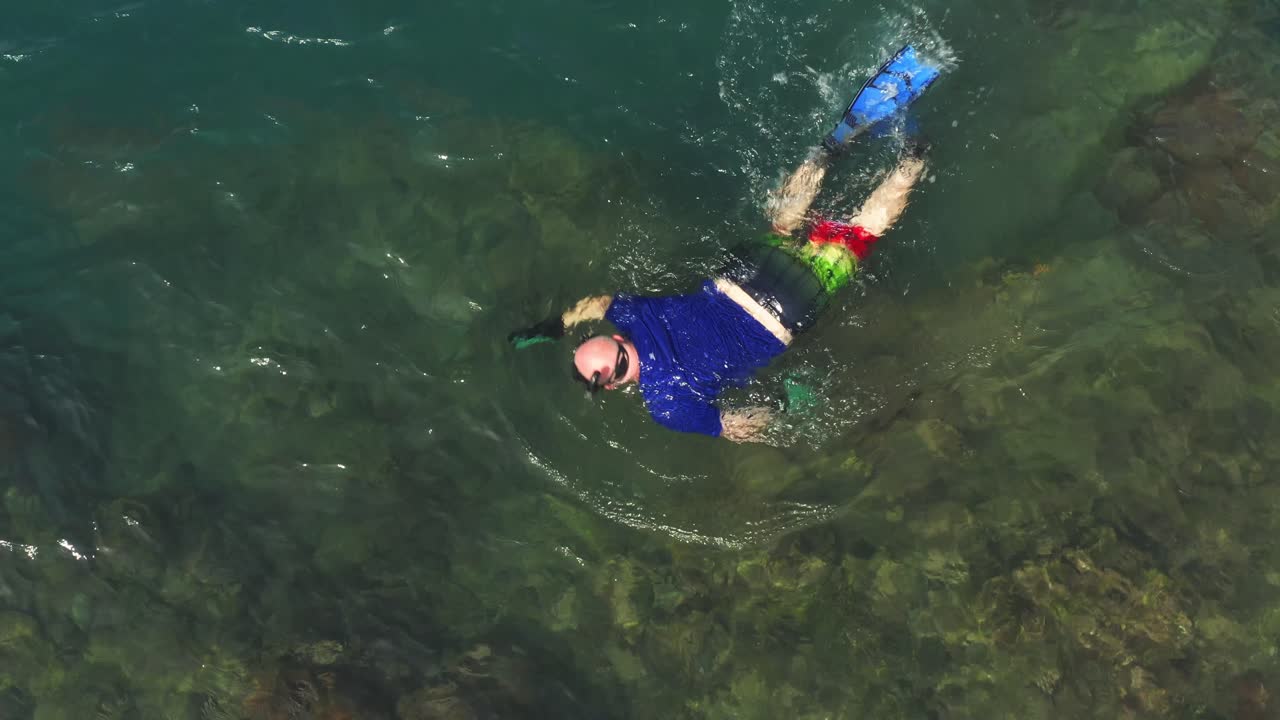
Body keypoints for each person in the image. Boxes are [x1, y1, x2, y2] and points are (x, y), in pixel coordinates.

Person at [509, 44, 942, 442]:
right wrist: (555, 325)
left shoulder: (667, 405)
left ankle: (912, 159)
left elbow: (740, 425)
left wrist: (784, 405)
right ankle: (827, 152)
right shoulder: (636, 317)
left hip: (785, 308)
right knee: (780, 225)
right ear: (620, 341)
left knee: (860, 234)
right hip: (743, 273)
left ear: (616, 381)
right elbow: (600, 302)